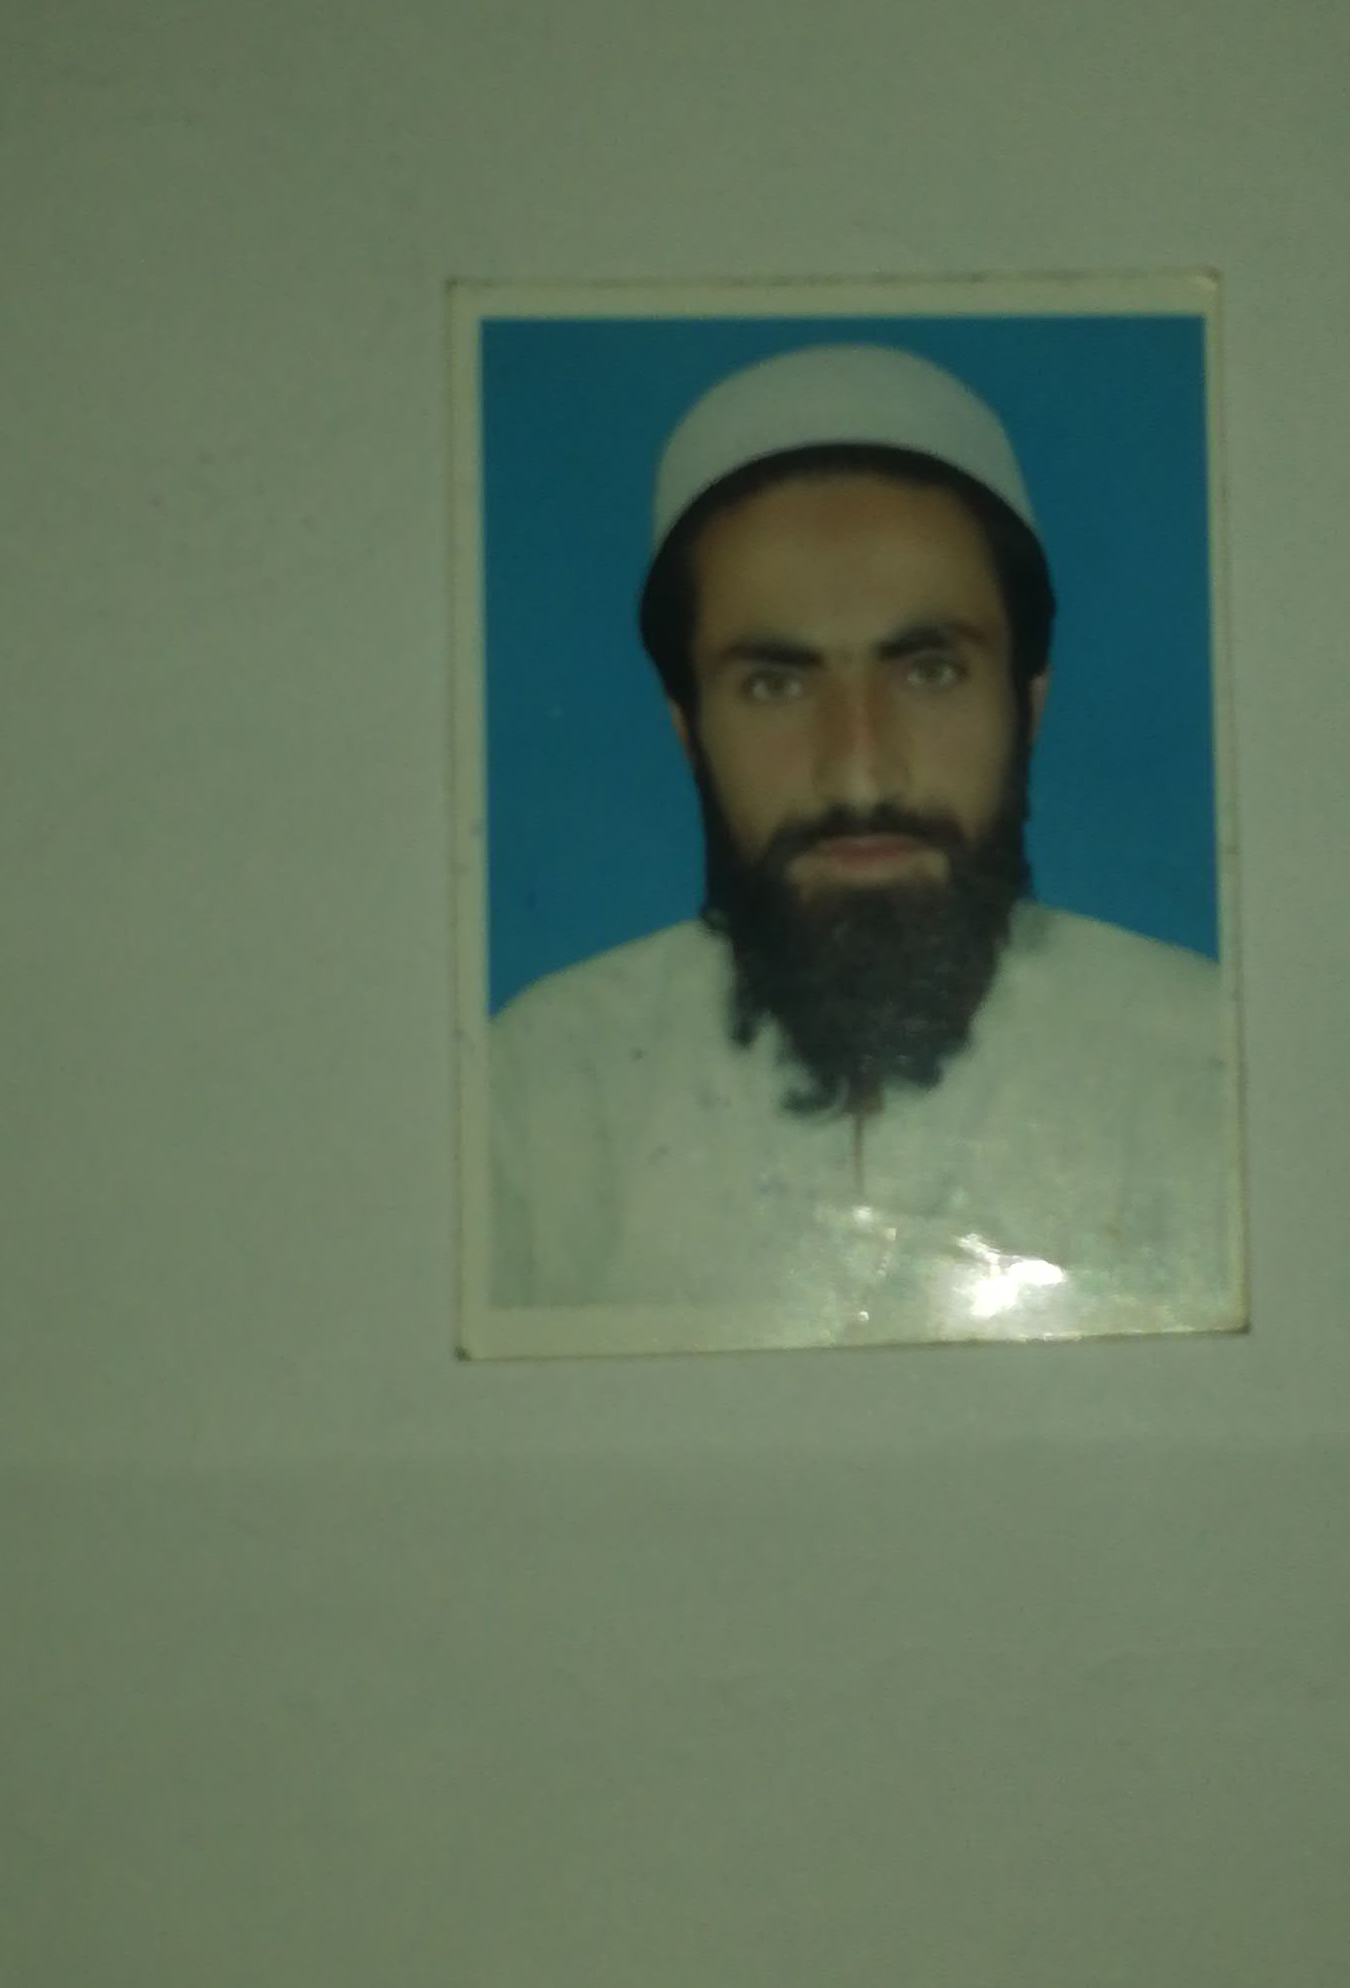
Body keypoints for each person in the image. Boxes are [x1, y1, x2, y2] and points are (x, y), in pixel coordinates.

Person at [486, 342, 1242, 1342]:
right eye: (775, 684)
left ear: (1028, 708)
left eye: (928, 672)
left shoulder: (1215, 1071)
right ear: (688, 732)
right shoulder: (536, 1094)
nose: (859, 773)